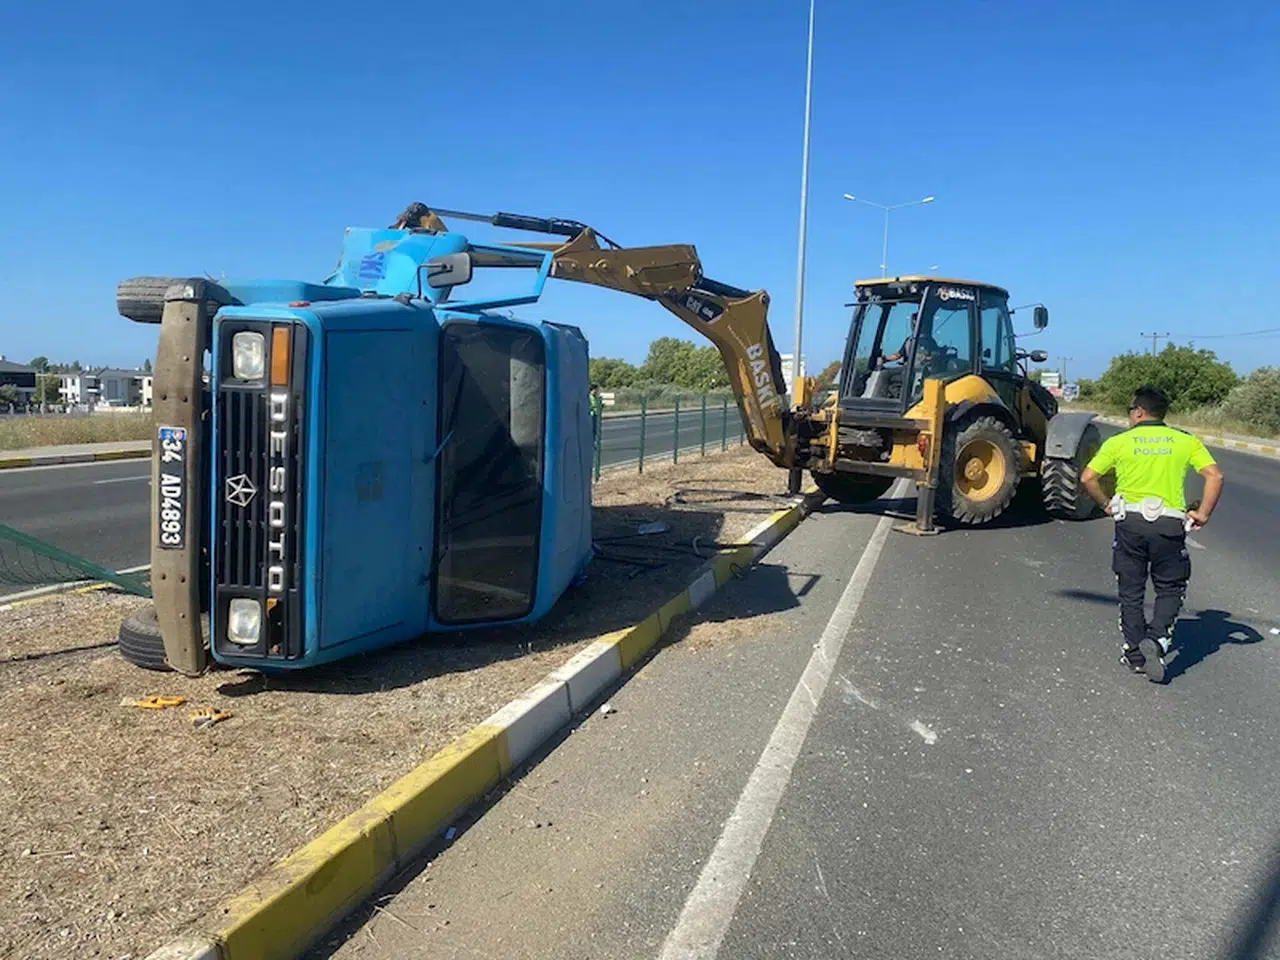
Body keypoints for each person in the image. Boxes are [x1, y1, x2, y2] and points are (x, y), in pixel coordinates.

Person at [1080, 385, 1224, 682]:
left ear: (1139, 412)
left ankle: (1134, 654)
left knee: (1130, 590)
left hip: (1130, 523)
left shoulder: (1120, 442)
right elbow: (1214, 475)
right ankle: (1157, 639)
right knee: (1170, 586)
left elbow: (1088, 478)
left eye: (1130, 411)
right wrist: (1203, 514)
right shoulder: (1185, 441)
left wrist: (1106, 504)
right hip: (1169, 525)